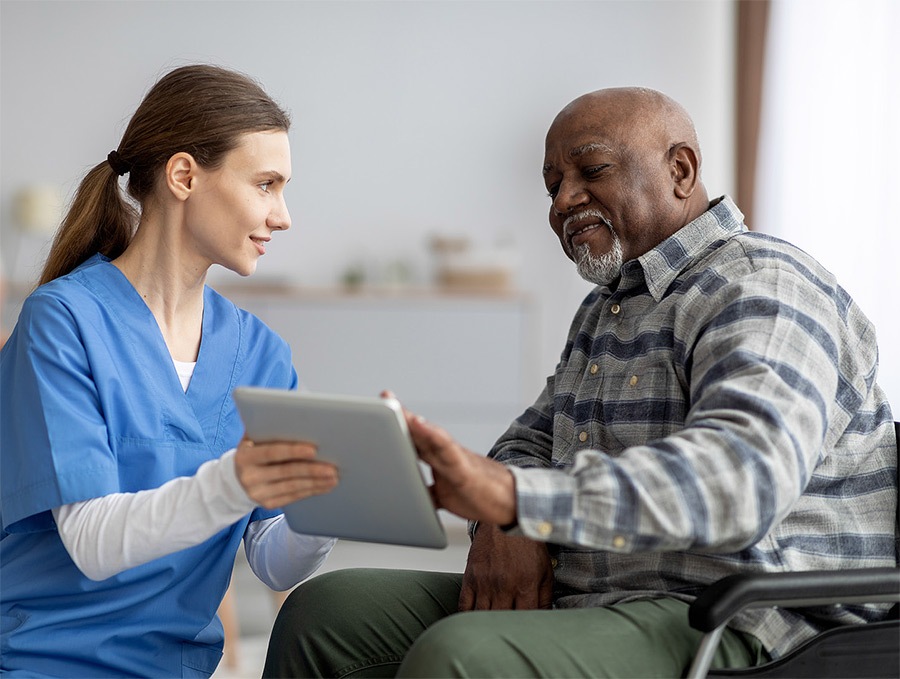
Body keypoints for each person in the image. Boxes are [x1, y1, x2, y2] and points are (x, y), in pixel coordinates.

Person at [263, 87, 897, 678]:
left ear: (680, 170)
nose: (563, 200)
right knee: (327, 613)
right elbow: (530, 443)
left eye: (591, 171)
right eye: (552, 185)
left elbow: (742, 480)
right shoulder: (609, 307)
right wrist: (508, 527)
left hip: (742, 615)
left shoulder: (763, 286)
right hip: (601, 592)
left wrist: (519, 502)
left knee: (462, 657)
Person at [0, 64, 341, 678]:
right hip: (44, 662)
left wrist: (332, 510)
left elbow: (270, 559)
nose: (283, 215)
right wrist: (236, 482)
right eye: (266, 184)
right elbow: (92, 541)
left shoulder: (260, 354)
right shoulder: (63, 321)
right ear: (184, 175)